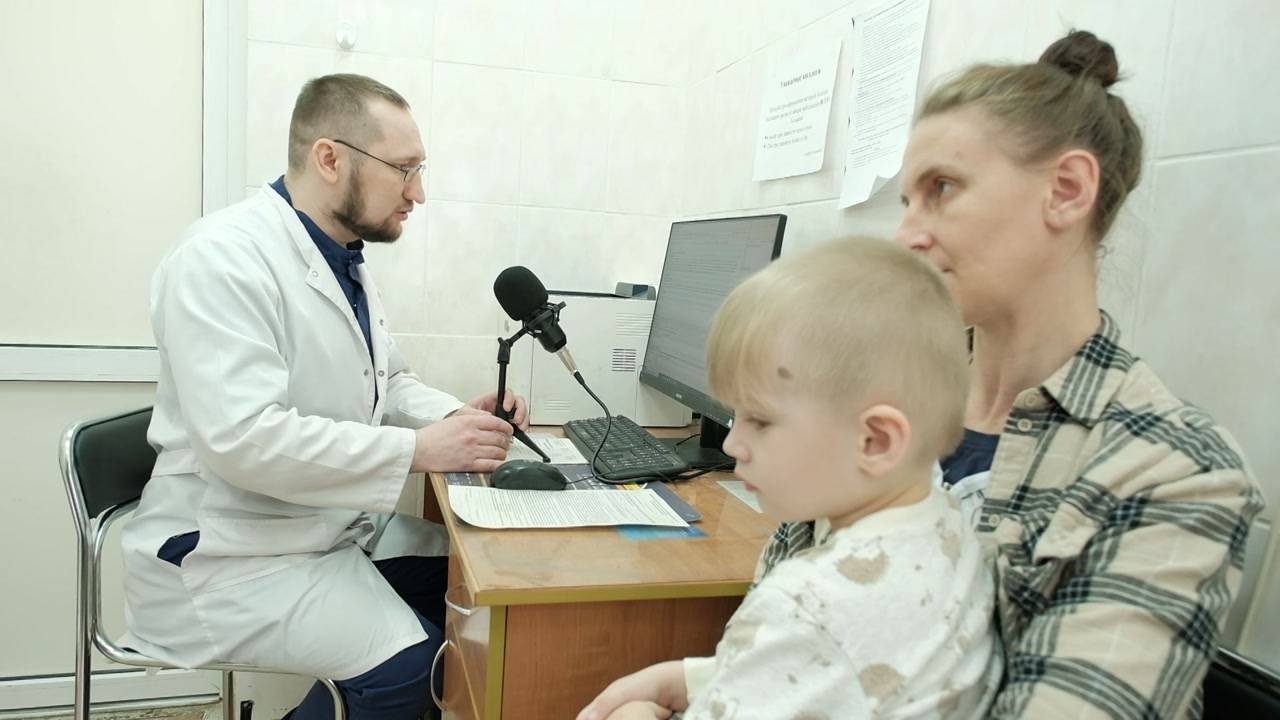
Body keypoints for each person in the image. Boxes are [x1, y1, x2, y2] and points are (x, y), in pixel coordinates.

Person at [583, 29, 1264, 720]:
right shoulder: (878, 386)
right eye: (908, 200)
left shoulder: (1172, 470)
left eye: (942, 189)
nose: (908, 233)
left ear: (1066, 190)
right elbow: (841, 638)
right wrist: (696, 679)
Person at [120, 74, 526, 720]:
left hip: (313, 528)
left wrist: (455, 416)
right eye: (404, 169)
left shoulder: (340, 259)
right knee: (411, 671)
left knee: (468, 588)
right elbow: (244, 439)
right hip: (229, 553)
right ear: (330, 158)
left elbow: (387, 380)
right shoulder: (220, 259)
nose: (418, 192)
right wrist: (419, 450)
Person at [580, 238, 1003, 719]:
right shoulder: (950, 522)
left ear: (876, 441)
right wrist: (691, 678)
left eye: (759, 420)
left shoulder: (809, 604)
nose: (732, 444)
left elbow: (815, 645)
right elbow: (842, 672)